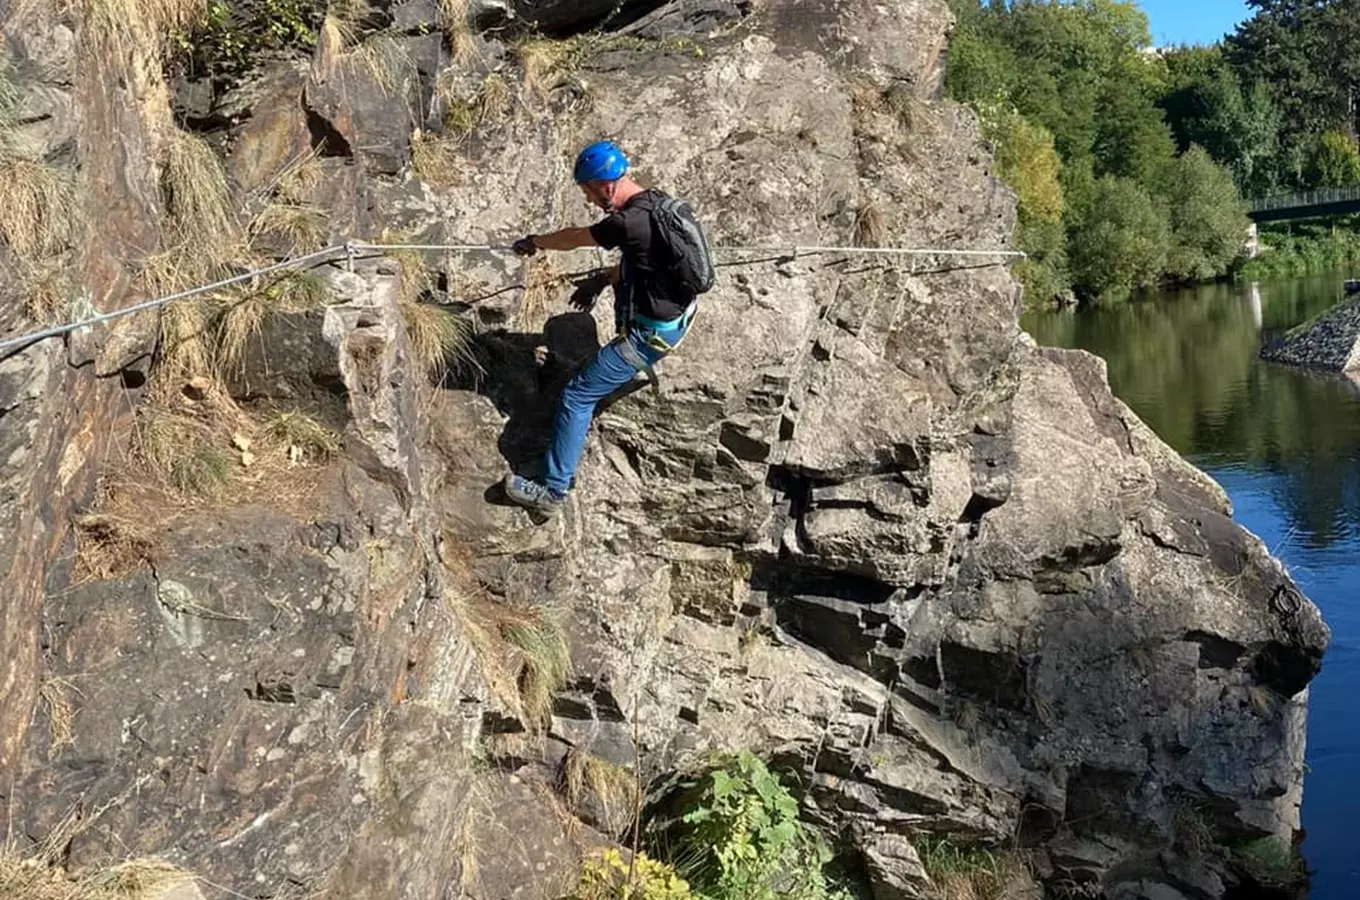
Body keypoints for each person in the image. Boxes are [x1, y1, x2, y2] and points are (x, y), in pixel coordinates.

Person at [503, 140, 713, 516]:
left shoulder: (626, 221)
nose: (587, 199)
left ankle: (552, 492)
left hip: (649, 336)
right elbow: (646, 259)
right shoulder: (657, 203)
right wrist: (604, 279)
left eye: (587, 190)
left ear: (605, 185)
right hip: (675, 313)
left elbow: (572, 238)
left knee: (577, 397)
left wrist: (534, 243)